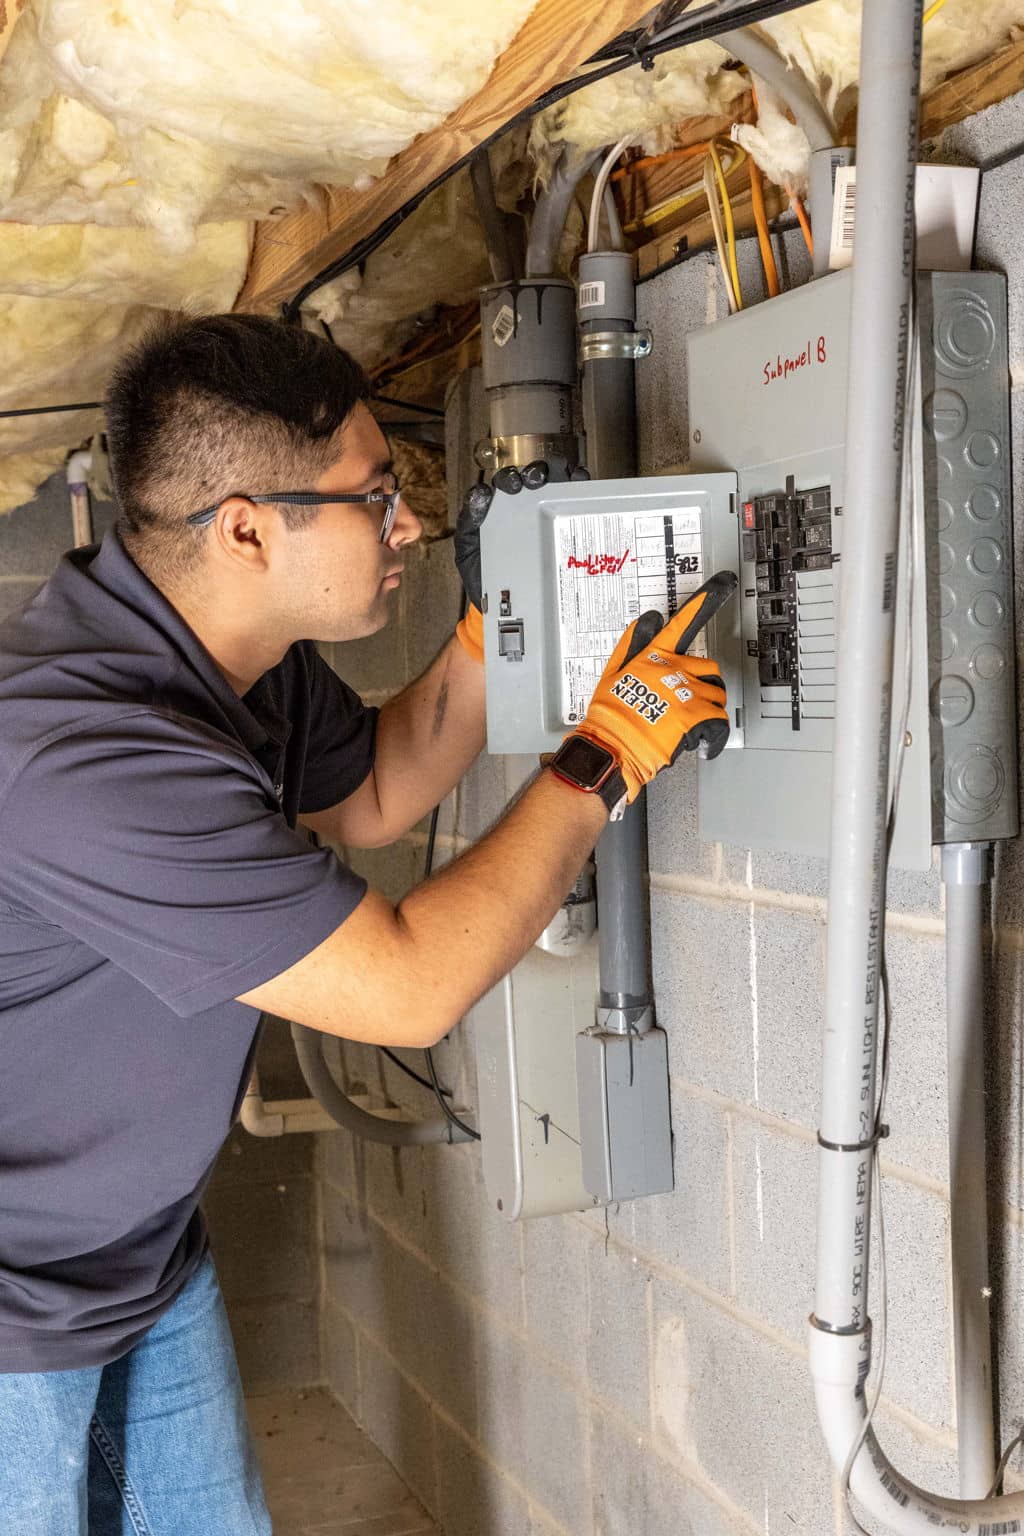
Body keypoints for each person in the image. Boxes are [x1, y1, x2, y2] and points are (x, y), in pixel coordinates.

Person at [0, 313, 730, 1534]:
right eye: (373, 497)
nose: (407, 524)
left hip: (136, 1257)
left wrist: (502, 616)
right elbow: (405, 990)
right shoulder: (95, 760)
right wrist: (603, 759)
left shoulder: (222, 651)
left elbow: (381, 785)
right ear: (244, 526)